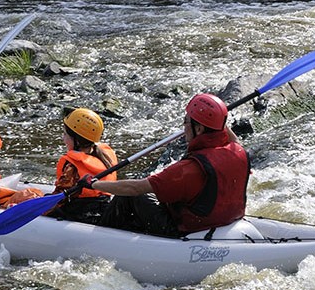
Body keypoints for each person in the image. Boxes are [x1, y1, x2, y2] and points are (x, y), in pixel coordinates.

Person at [85, 93, 250, 237]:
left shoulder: (189, 169)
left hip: (185, 230)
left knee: (133, 195)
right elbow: (232, 139)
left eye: (186, 122)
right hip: (224, 220)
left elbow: (135, 188)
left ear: (198, 129)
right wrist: (217, 119)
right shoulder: (239, 151)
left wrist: (94, 184)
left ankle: (100, 235)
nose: (184, 127)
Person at [48, 107, 118, 225]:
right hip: (102, 209)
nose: (62, 138)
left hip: (80, 213)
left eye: (65, 134)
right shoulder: (105, 156)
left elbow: (60, 199)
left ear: (77, 141)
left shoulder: (71, 167)